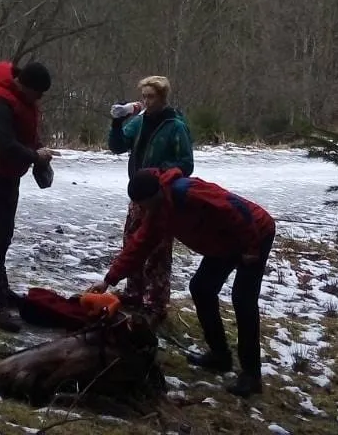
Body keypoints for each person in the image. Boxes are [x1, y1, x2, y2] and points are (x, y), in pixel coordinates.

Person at [88, 167, 276, 397]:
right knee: (201, 289)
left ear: (154, 195)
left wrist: (251, 247)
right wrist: (108, 280)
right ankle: (220, 356)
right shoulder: (157, 214)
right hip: (223, 244)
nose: (141, 210)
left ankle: (251, 375)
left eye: (143, 204)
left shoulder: (188, 192)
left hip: (255, 232)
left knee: (243, 300)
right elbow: (138, 248)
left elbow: (237, 210)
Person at [0, 58, 54, 332]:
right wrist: (35, 157)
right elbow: (5, 144)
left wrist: (36, 149)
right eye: (38, 92)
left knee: (3, 234)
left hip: (6, 176)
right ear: (25, 85)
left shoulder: (20, 99)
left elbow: (24, 132)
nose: (40, 98)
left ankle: (0, 290)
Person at [107, 75, 193, 325]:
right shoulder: (140, 121)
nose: (146, 101)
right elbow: (117, 145)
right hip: (138, 194)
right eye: (143, 96)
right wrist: (117, 122)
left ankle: (155, 302)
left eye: (151, 97)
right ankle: (134, 292)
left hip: (161, 195)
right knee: (132, 242)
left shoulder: (175, 125)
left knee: (158, 251)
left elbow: (186, 163)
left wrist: (162, 172)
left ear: (162, 97)